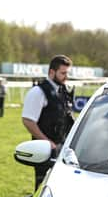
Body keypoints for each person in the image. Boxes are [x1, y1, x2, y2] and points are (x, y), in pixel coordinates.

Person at [21, 55, 75, 190]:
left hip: (62, 148)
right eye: (63, 73)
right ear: (51, 72)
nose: (66, 76)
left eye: (67, 73)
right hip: (44, 150)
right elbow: (28, 120)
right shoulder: (38, 92)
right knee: (43, 189)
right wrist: (47, 142)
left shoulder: (64, 91)